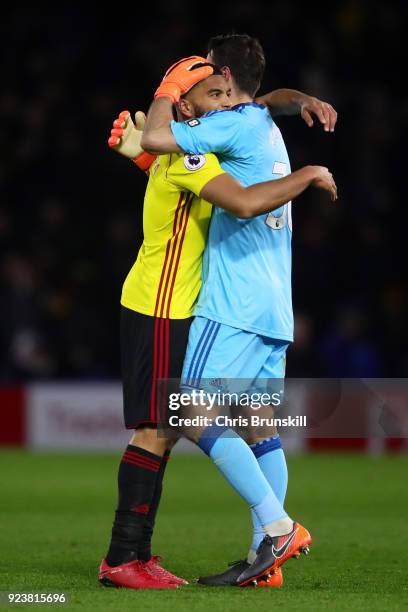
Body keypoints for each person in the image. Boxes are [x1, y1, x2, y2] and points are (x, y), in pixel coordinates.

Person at [102, 56, 336, 590]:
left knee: (234, 422)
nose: (228, 105)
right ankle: (125, 557)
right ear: (186, 106)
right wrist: (306, 175)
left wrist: (142, 154)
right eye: (213, 97)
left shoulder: (192, 147)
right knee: (162, 426)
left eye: (227, 95)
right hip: (162, 302)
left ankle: (259, 551)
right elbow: (244, 201)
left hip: (187, 301)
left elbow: (180, 167)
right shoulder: (191, 152)